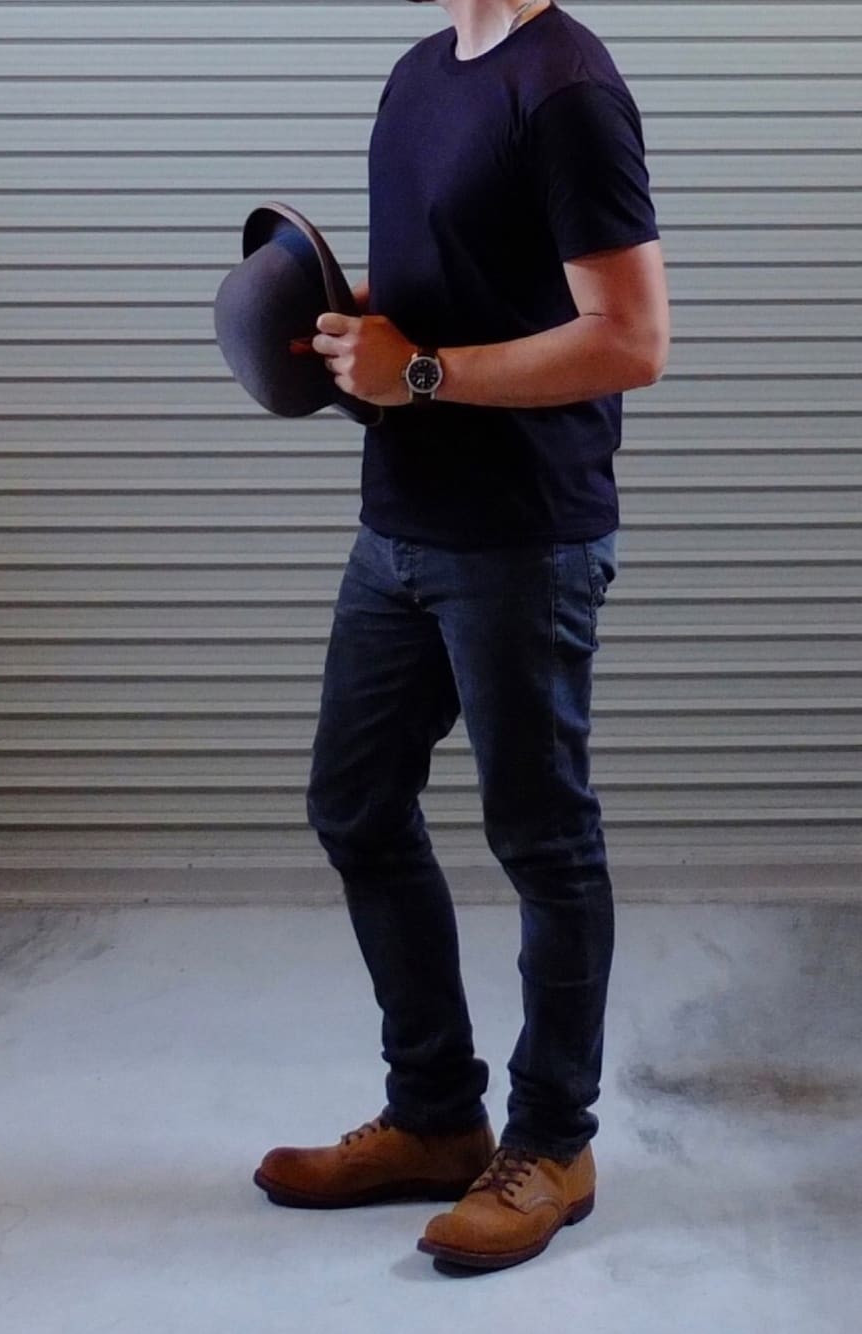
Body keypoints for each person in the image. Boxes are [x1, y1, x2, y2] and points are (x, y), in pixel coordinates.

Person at [253, 0, 670, 1273]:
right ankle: (437, 1115)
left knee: (542, 837)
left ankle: (552, 1142)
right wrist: (352, 318)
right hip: (401, 519)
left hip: (523, 535)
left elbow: (631, 338)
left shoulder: (566, 90)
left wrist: (421, 371)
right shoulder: (421, 73)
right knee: (355, 803)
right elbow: (462, 279)